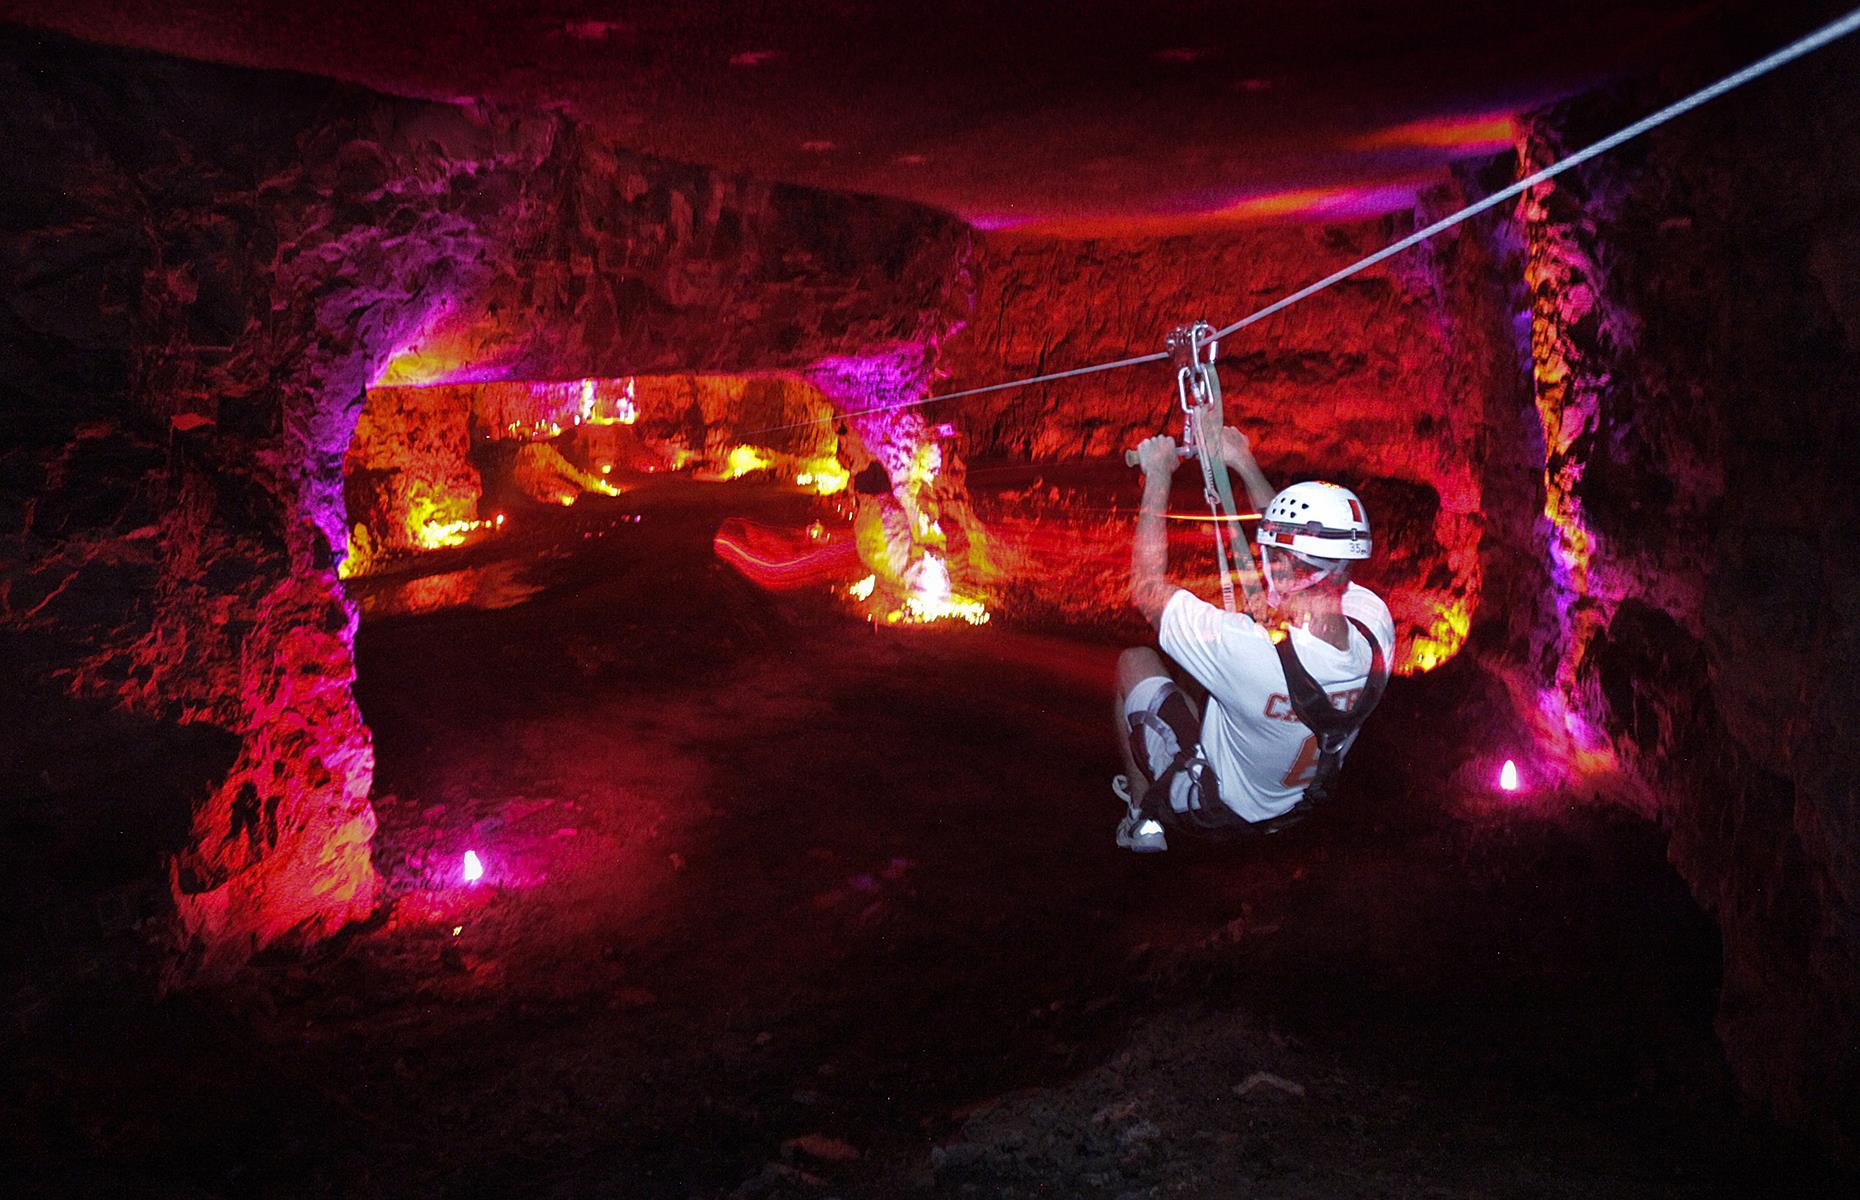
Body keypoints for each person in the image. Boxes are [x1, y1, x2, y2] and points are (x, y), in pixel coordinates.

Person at [1113, 426, 1394, 851]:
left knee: (1135, 662)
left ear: (1283, 567)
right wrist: (1242, 461)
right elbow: (1299, 552)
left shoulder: (1249, 653)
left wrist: (1158, 474)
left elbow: (1147, 592)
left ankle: (1141, 813)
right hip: (1294, 802)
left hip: (1213, 804)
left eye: (1273, 560)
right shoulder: (1375, 625)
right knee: (1201, 681)